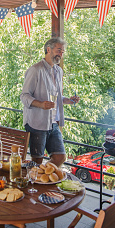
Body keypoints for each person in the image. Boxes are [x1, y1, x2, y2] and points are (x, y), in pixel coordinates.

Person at [20, 37, 80, 167]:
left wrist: (68, 100)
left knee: (60, 157)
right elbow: (24, 96)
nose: (61, 54)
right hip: (37, 123)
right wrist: (40, 104)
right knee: (37, 161)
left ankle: (42, 177)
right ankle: (36, 183)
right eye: (59, 50)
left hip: (53, 123)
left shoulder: (59, 71)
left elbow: (57, 97)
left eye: (62, 52)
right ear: (48, 49)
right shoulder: (35, 70)